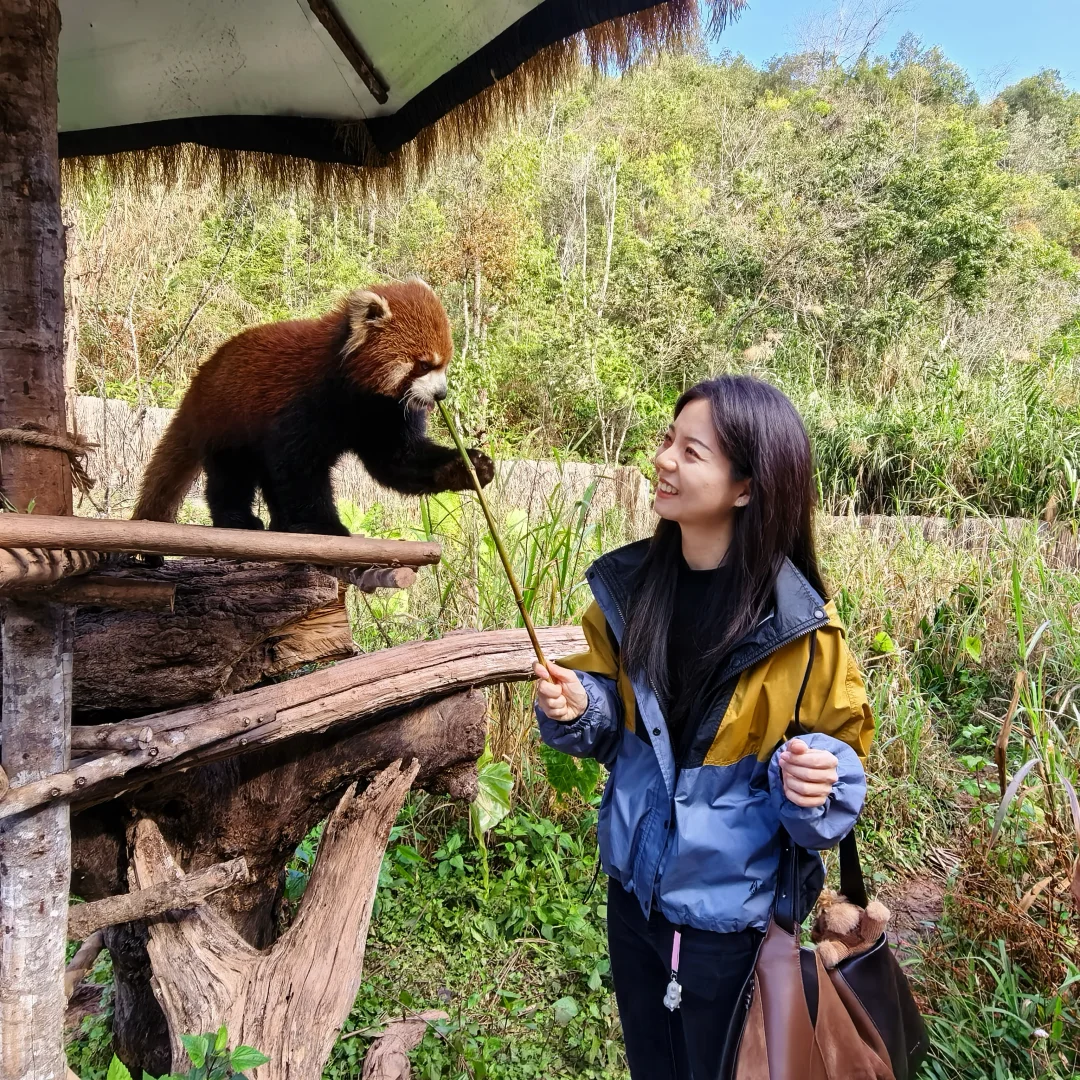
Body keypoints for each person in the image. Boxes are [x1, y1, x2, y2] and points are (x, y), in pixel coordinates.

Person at [533, 376, 874, 1080]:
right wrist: (580, 707)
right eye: (667, 440)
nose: (662, 460)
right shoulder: (629, 592)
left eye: (691, 451)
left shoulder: (803, 633)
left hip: (731, 926)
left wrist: (818, 781)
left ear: (746, 486)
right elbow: (605, 720)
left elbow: (838, 765)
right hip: (632, 899)